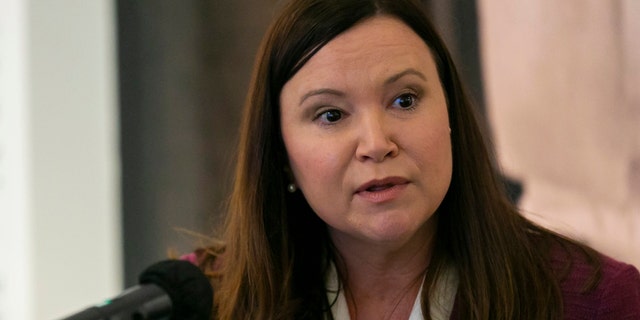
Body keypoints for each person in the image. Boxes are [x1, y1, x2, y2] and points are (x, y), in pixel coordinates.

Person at [184, 0, 640, 318]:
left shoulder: (599, 302)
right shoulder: (197, 302)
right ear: (281, 155)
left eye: (404, 100)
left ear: (452, 118)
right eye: (330, 114)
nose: (376, 143)